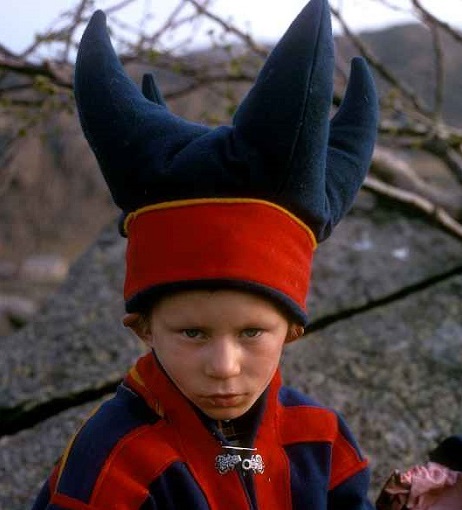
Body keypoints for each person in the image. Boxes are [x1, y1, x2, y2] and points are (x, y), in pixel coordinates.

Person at [31, 0, 378, 508]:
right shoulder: (113, 466)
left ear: (293, 330)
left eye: (252, 332)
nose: (223, 367)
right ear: (143, 327)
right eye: (192, 332)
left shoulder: (320, 440)